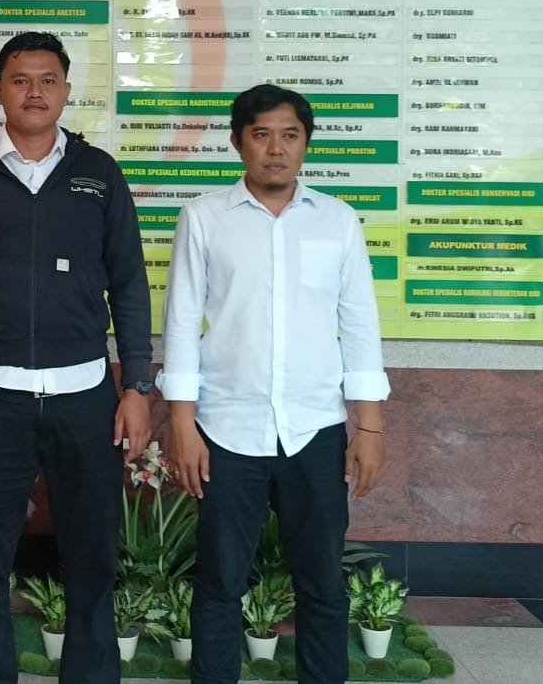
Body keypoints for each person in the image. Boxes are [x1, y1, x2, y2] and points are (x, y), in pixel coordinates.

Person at [0, 31, 152, 684]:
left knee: (93, 558)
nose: (35, 91)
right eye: (20, 80)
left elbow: (129, 283)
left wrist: (137, 385)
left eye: (48, 80)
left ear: (67, 90)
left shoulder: (99, 172)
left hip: (86, 398)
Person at [160, 84, 389, 684]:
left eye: (290, 135)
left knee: (323, 582)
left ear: (306, 143)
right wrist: (182, 426)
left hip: (314, 429)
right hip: (226, 430)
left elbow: (359, 324)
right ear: (239, 143)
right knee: (219, 582)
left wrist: (369, 427)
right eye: (261, 135)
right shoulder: (204, 218)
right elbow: (181, 323)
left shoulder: (337, 221)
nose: (276, 148)